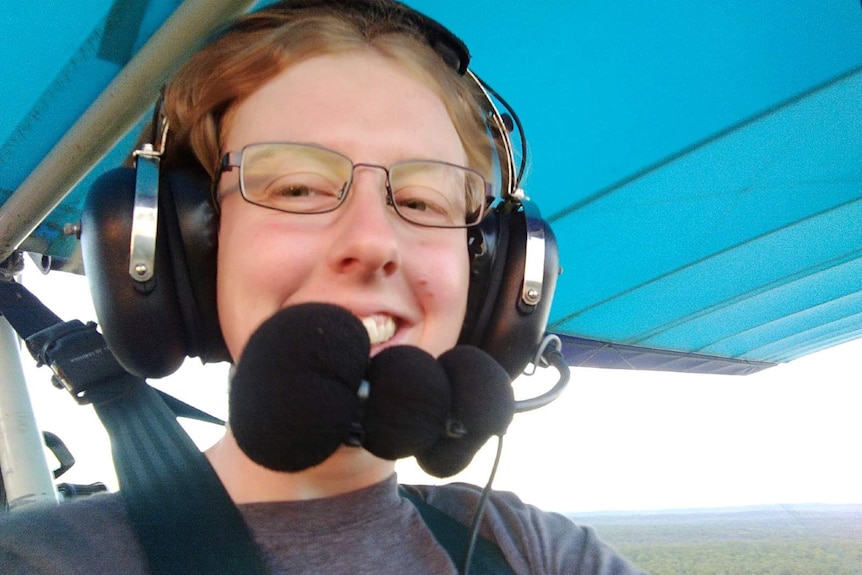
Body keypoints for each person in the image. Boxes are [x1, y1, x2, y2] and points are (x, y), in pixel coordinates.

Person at [0, 1, 647, 573]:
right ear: (188, 247)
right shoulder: (39, 560)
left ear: (494, 275)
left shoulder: (534, 552)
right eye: (298, 187)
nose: (372, 239)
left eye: (422, 200)